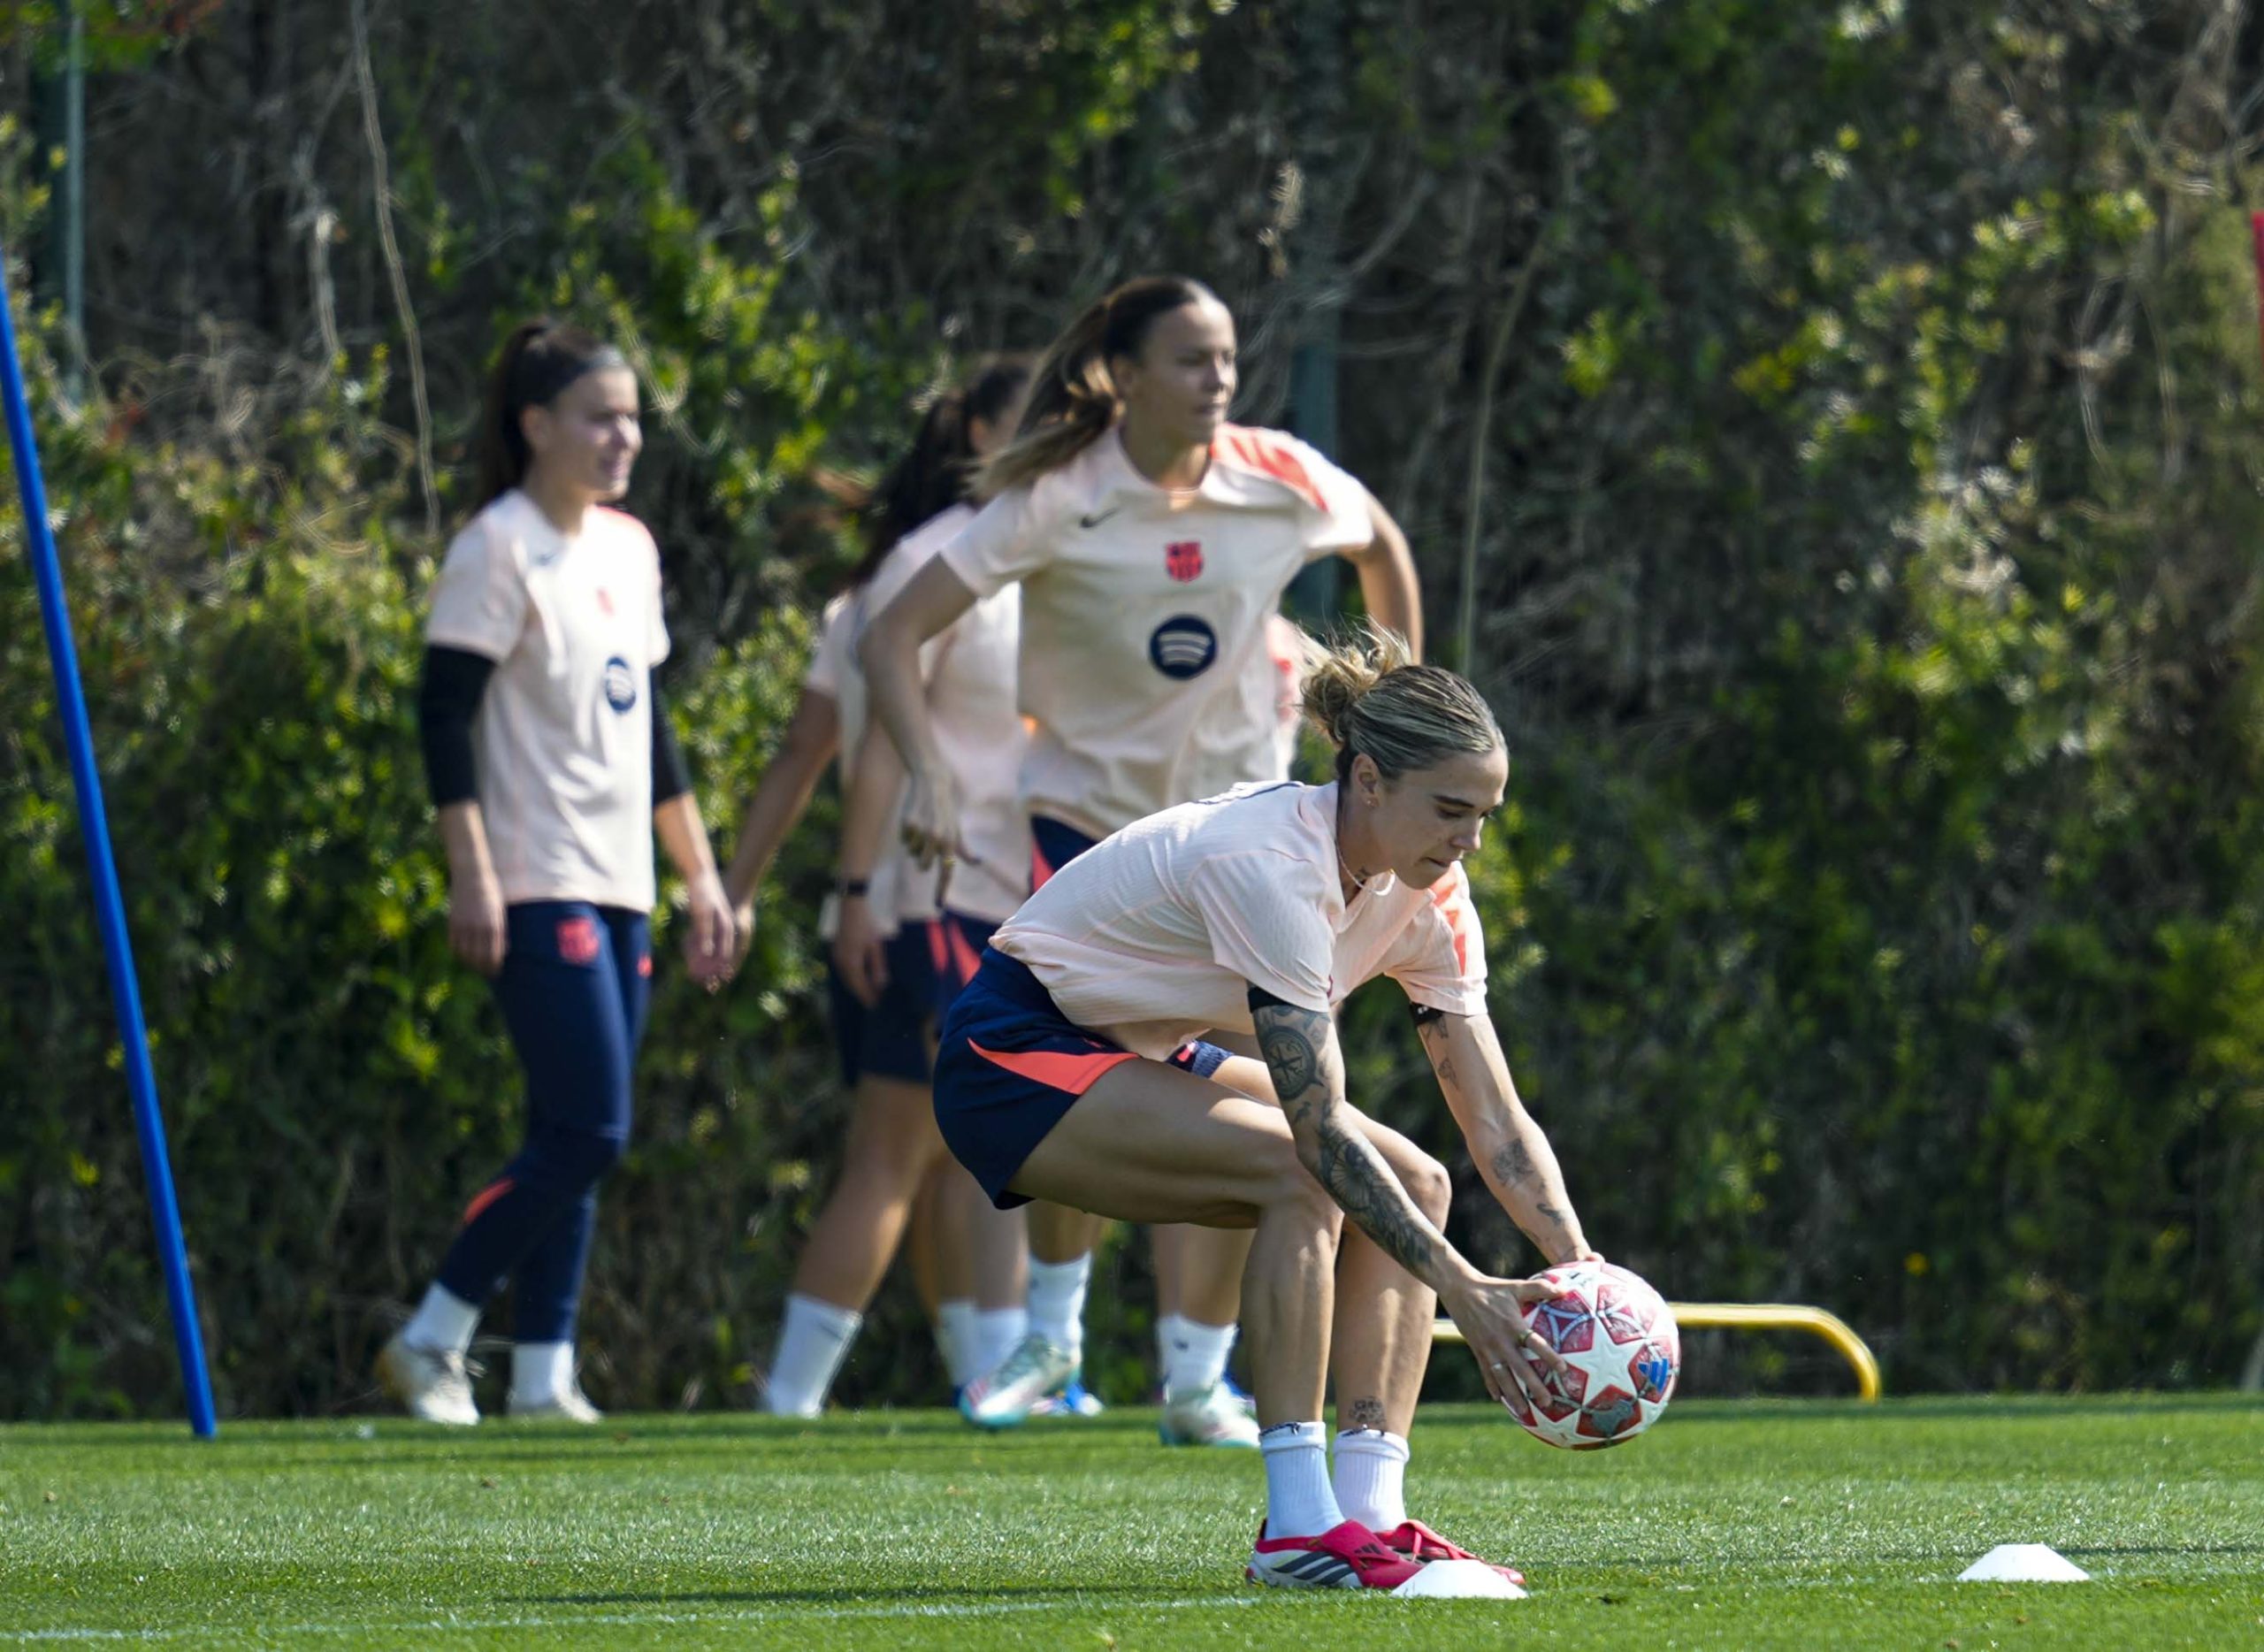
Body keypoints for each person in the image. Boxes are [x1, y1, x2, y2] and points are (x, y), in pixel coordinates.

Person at [860, 273, 1425, 1445]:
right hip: (1096, 837)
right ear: (1122, 373)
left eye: (1226, 358)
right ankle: (1057, 1337)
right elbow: (892, 631)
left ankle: (1193, 1378)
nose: (1217, 379)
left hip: (1250, 836)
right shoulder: (1061, 497)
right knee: (1099, 1072)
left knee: (1264, 1097)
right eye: (1189, 359)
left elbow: (1381, 542)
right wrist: (923, 768)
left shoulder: (1277, 476)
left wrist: (1396, 713)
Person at [927, 627, 1596, 1587]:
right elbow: (1317, 1131)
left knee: (1418, 1178)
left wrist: (1581, 1269)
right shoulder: (1270, 864)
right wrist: (1464, 1288)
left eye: (1485, 814)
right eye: (1451, 809)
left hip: (1134, 1044)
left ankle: (1371, 1516)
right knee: (1303, 1173)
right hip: (1012, 1051)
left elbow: (1494, 1120)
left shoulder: (1430, 894)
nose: (1470, 841)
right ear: (1367, 779)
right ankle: (1295, 1529)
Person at [376, 319, 735, 1425]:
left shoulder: (628, 547)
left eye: (631, 415)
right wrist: (471, 872)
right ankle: (434, 1331)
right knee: (591, 1126)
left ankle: (542, 1372)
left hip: (621, 876)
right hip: (536, 873)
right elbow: (443, 709)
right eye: (598, 415)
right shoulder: (498, 545)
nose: (622, 435)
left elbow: (650, 726)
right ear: (535, 426)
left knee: (570, 1129)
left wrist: (701, 875)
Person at [708, 358, 1037, 1416]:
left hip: (965, 898)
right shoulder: (936, 563)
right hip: (930, 899)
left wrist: (748, 885)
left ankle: (983, 1379)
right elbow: (876, 751)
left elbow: (809, 744)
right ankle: (794, 1399)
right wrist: (857, 892)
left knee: (949, 1157)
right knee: (906, 1153)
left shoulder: (996, 561)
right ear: (982, 432)